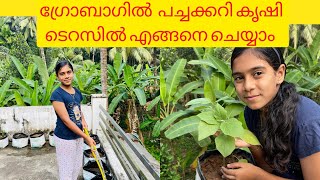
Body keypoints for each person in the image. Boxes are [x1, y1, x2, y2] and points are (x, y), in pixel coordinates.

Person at [221, 48, 320, 180]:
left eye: (257, 73)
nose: (247, 86)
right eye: (239, 78)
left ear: (279, 73)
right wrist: (252, 144)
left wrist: (257, 176)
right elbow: (270, 168)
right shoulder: (252, 112)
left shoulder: (307, 123)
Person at [50, 60, 96, 180]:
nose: (66, 76)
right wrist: (86, 137)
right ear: (57, 76)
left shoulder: (77, 92)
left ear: (73, 73)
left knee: (76, 168)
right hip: (65, 138)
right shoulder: (57, 95)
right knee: (66, 171)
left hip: (78, 136)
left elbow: (78, 109)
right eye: (62, 73)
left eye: (69, 72)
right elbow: (66, 120)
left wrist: (83, 121)